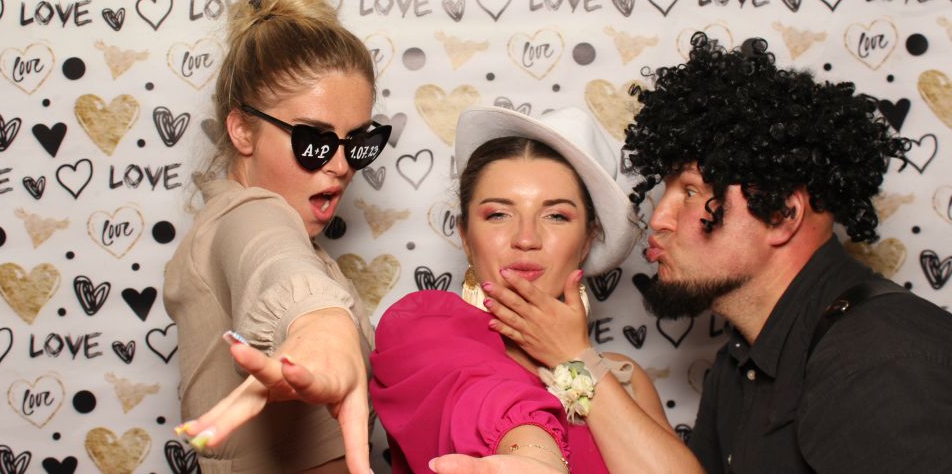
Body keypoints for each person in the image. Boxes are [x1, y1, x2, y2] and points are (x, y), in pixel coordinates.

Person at [618, 33, 952, 472]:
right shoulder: (739, 359)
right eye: (665, 191)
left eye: (692, 191)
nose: (659, 218)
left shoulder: (881, 360)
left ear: (781, 214)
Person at [370, 106, 704, 474]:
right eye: (498, 214)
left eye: (556, 215)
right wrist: (534, 455)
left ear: (587, 240)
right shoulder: (420, 330)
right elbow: (481, 396)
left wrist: (576, 356)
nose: (526, 238)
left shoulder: (624, 378)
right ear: (465, 236)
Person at [163, 0, 390, 474]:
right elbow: (268, 255)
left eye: (358, 142)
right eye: (314, 140)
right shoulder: (245, 215)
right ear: (242, 130)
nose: (340, 165)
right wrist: (319, 319)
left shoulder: (299, 239)